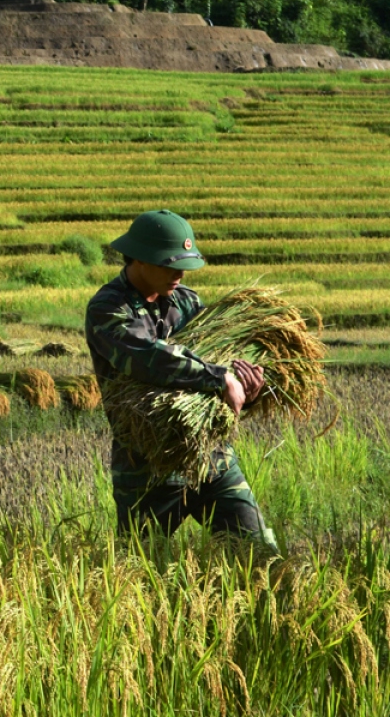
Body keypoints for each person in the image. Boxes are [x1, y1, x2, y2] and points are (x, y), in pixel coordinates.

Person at [85, 209, 277, 550]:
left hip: (211, 458)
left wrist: (247, 384)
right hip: (147, 467)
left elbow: (221, 366)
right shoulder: (108, 309)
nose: (179, 274)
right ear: (140, 259)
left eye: (184, 265)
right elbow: (148, 357)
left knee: (260, 553)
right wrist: (219, 378)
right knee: (140, 574)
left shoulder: (188, 302)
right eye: (169, 265)